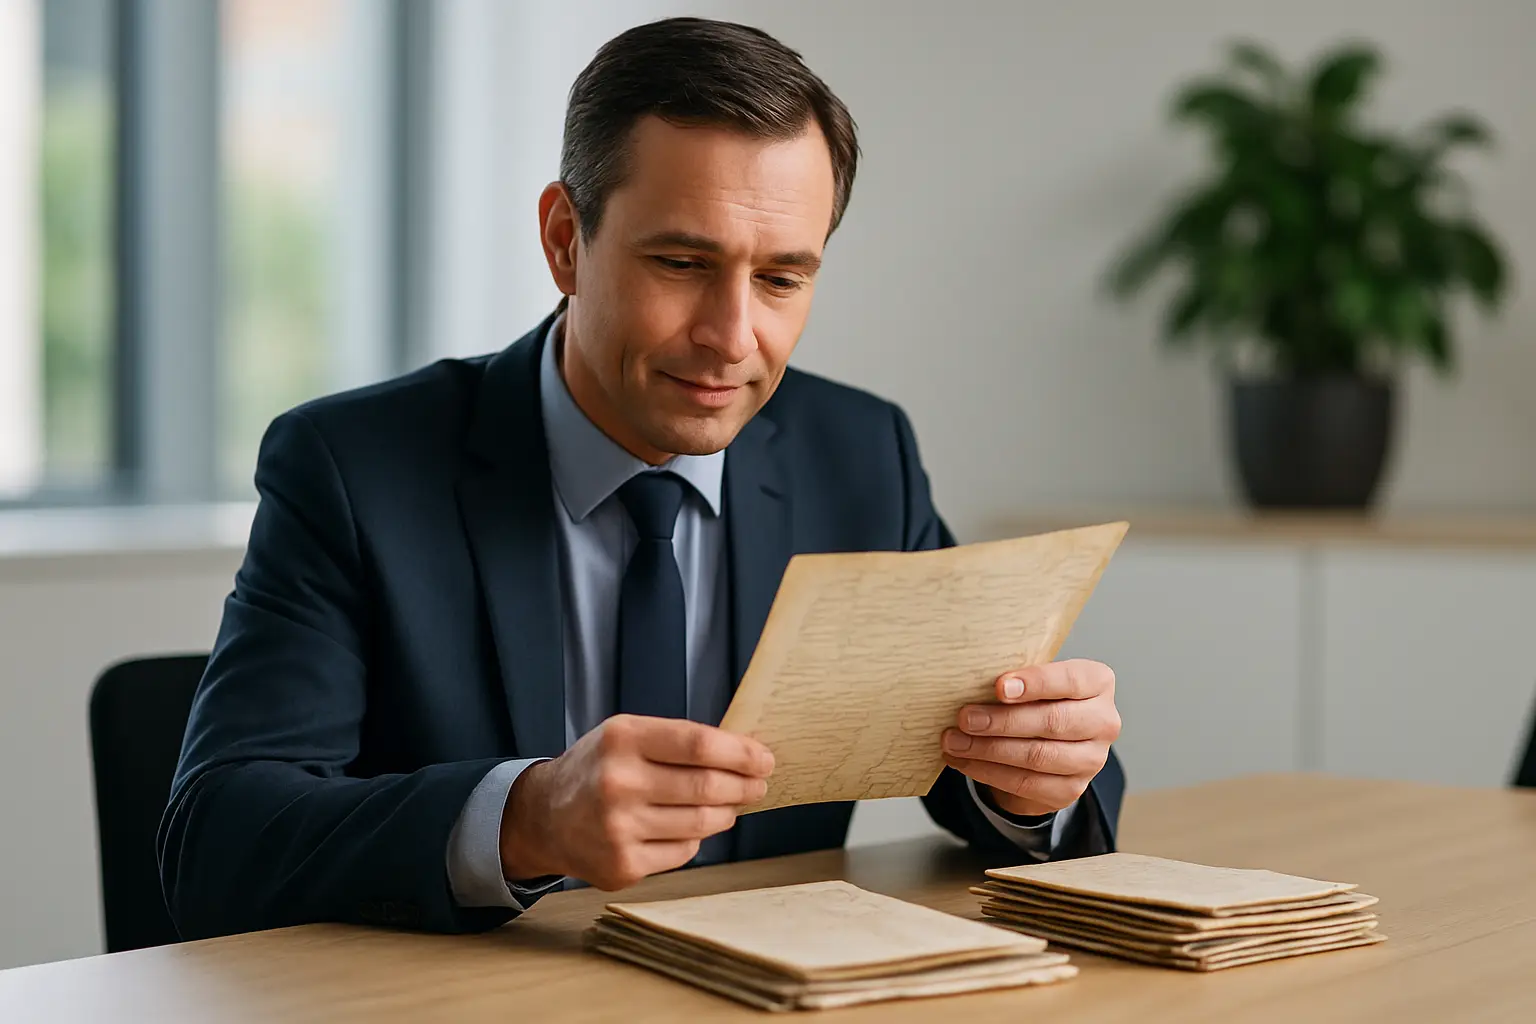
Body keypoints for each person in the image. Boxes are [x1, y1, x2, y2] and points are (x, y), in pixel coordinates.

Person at [159, 16, 1125, 940]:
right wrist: (524, 820)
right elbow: (215, 843)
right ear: (563, 241)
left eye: (782, 278)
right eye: (680, 262)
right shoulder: (352, 467)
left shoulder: (859, 452)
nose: (732, 337)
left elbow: (975, 762)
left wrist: (1030, 778)